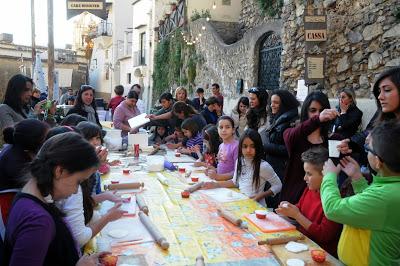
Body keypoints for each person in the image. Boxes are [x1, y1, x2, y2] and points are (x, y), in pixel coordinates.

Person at [3, 132, 105, 265]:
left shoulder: (29, 196)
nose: (75, 191)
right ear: (59, 171)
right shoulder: (38, 222)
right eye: (78, 181)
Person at [322, 121, 400, 265]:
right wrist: (357, 178)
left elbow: (333, 208)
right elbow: (372, 211)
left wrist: (329, 176)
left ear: (378, 162)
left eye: (368, 148)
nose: (366, 151)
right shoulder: (390, 187)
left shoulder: (386, 196)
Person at [58, 122, 124, 247]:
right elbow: (79, 238)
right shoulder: (71, 183)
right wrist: (107, 217)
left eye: (97, 138)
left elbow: (84, 202)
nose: (95, 143)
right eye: (89, 139)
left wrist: (105, 196)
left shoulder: (72, 177)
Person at [276, 147, 341, 256]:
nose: (304, 178)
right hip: (302, 244)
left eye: (309, 174)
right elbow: (300, 208)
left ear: (326, 175)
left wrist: (296, 215)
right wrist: (289, 209)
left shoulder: (334, 200)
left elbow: (324, 235)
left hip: (320, 254)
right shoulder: (310, 189)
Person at [281, 91, 339, 204]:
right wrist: (317, 120)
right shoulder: (294, 135)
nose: (318, 114)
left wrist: (345, 149)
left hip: (319, 202)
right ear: (305, 111)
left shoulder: (333, 139)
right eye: (313, 110)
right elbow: (290, 136)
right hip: (293, 198)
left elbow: (335, 167)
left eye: (321, 111)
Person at [202, 129, 281, 207]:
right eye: (245, 146)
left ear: (258, 147)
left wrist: (260, 196)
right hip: (242, 203)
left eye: (252, 146)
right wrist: (215, 184)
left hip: (256, 207)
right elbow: (235, 182)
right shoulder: (239, 161)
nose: (248, 150)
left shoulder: (263, 166)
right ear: (240, 147)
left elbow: (278, 185)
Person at [338, 67, 400, 165]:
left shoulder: (356, 112)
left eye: (387, 90)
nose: (380, 96)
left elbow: (345, 125)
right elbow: (368, 131)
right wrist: (350, 144)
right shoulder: (383, 114)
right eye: (379, 91)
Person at [0, 119, 49, 223]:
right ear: (34, 143)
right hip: (6, 205)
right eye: (46, 138)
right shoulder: (14, 160)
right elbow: (38, 187)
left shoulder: (18, 148)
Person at [0, 74, 55, 147]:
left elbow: (41, 132)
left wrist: (50, 114)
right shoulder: (4, 108)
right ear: (15, 90)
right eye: (26, 90)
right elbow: (11, 136)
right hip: (15, 154)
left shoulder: (27, 108)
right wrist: (34, 114)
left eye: (31, 90)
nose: (30, 94)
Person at [206, 116, 239, 181]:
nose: (224, 130)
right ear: (217, 129)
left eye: (227, 127)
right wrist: (213, 170)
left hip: (229, 184)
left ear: (233, 130)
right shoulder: (221, 145)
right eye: (221, 127)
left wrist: (218, 177)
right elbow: (222, 166)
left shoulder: (236, 146)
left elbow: (237, 171)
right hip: (219, 181)